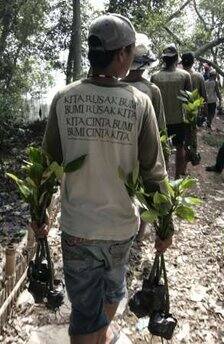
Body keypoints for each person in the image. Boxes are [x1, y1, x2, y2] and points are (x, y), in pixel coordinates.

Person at [33, 14, 172, 344]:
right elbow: (154, 172)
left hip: (78, 227)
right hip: (120, 229)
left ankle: (96, 336)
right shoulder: (139, 103)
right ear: (122, 55)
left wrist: (38, 215)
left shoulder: (64, 99)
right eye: (128, 51)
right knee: (112, 293)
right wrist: (166, 224)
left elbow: (46, 166)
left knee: (84, 311)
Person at [123, 33, 168, 242]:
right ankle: (140, 233)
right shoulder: (151, 90)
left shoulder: (117, 87)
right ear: (145, 64)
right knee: (144, 190)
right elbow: (160, 128)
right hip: (145, 149)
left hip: (122, 152)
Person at [151, 44, 192, 179]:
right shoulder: (185, 76)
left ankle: (165, 179)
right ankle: (177, 178)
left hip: (160, 121)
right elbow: (189, 100)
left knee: (164, 150)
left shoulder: (155, 77)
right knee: (180, 148)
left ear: (163, 59)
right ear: (176, 58)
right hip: (179, 119)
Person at [181, 51, 207, 165]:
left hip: (178, 112)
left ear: (182, 62)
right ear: (193, 62)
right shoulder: (199, 76)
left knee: (180, 139)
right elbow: (204, 97)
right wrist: (204, 113)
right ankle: (188, 160)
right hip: (192, 113)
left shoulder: (178, 75)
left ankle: (181, 165)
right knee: (191, 138)